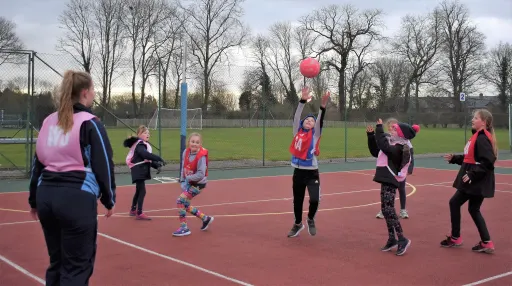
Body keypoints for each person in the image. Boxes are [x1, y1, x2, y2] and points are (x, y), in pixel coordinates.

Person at [28, 70, 116, 285]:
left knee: (57, 262)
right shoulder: (90, 123)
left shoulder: (48, 122)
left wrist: (33, 200)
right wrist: (109, 198)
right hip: (76, 199)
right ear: (85, 93)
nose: (95, 93)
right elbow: (104, 164)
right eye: (93, 89)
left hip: (46, 196)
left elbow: (37, 164)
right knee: (76, 268)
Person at [440, 109, 497, 254]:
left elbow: (488, 161)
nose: (472, 119)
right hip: (476, 180)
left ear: (483, 122)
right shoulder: (478, 137)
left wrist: (473, 174)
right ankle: (487, 242)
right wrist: (455, 159)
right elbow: (470, 159)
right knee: (473, 209)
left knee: (455, 203)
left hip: (475, 181)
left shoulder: (482, 138)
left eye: (475, 118)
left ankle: (455, 238)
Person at [367, 118, 417, 256]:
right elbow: (375, 151)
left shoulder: (400, 147)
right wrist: (371, 136)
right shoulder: (392, 143)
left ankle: (402, 239)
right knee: (385, 209)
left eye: (395, 129)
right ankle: (392, 238)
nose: (392, 130)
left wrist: (379, 128)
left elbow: (384, 146)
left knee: (389, 209)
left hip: (391, 179)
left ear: (401, 134)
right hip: (385, 178)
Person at [287, 87, 329, 238]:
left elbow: (320, 121)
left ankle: (310, 218)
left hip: (312, 172)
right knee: (297, 201)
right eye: (307, 120)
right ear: (303, 123)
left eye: (312, 120)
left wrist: (322, 107)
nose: (310, 121)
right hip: (298, 172)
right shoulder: (296, 132)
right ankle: (298, 224)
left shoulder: (315, 135)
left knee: (315, 199)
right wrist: (302, 101)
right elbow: (297, 116)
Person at [374, 118, 419, 219]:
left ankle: (403, 210)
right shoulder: (388, 139)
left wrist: (409, 169)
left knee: (401, 189)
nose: (391, 128)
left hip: (399, 170)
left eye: (394, 127)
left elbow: (410, 156)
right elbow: (381, 146)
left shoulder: (406, 143)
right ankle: (384, 209)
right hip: (389, 169)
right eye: (390, 127)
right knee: (386, 191)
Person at [173, 132, 214, 237]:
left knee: (180, 200)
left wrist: (188, 178)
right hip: (190, 182)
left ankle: (184, 228)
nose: (194, 144)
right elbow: (184, 167)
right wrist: (182, 180)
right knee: (185, 205)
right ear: (188, 142)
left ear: (200, 144)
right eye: (192, 141)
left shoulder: (201, 157)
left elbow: (200, 174)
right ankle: (205, 218)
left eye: (197, 142)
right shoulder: (185, 152)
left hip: (199, 184)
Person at [124, 125, 165, 220]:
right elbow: (145, 155)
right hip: (138, 169)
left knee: (139, 190)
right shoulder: (140, 145)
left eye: (148, 133)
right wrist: (158, 158)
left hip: (139, 168)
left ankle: (133, 209)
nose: (148, 134)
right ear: (139, 134)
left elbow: (146, 159)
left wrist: (156, 165)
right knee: (142, 190)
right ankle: (139, 212)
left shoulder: (141, 145)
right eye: (145, 133)